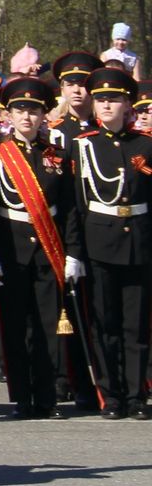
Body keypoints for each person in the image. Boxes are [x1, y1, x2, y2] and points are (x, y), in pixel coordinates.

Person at [0, 75, 76, 419]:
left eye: (34, 111)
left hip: (49, 246)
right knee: (16, 325)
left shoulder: (57, 156)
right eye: (20, 110)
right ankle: (22, 396)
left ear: (43, 115)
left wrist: (73, 253)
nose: (27, 117)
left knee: (48, 325)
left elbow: (68, 209)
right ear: (9, 114)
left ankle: (48, 396)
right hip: (11, 246)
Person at [67, 66, 152, 419]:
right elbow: (74, 205)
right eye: (100, 99)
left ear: (127, 104)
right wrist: (74, 252)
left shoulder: (145, 145)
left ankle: (137, 396)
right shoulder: (83, 146)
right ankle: (111, 395)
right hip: (99, 242)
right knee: (105, 323)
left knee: (137, 324)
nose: (105, 105)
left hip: (141, 243)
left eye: (113, 100)